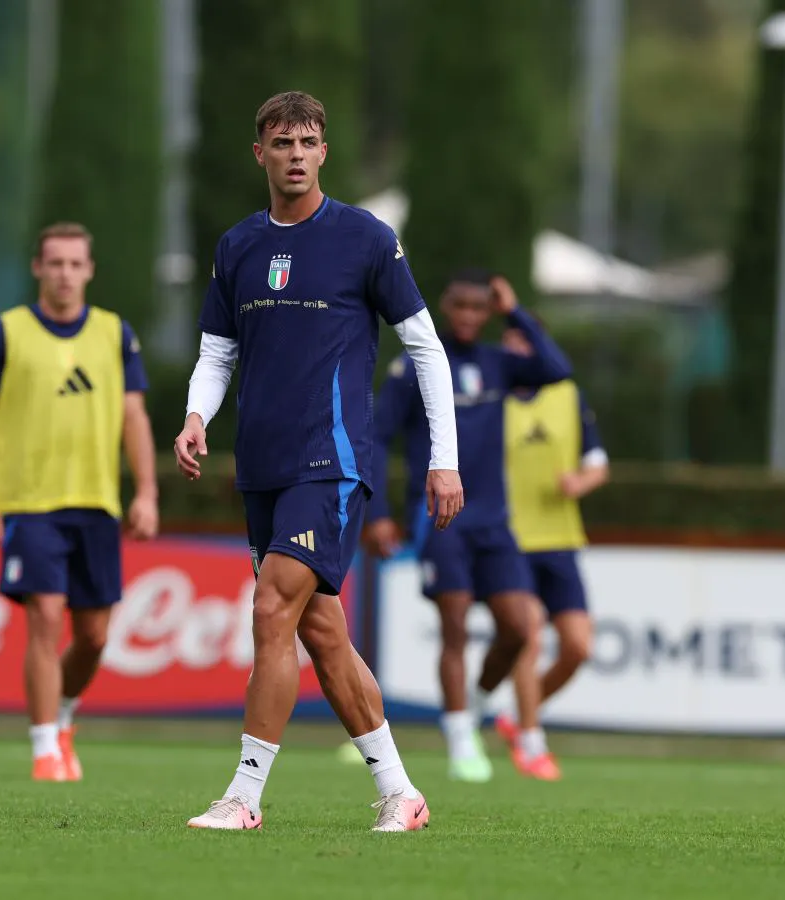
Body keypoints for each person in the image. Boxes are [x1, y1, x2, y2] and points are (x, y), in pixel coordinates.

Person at [174, 91, 462, 833]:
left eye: (308, 141)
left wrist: (444, 459)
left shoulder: (365, 238)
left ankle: (243, 797)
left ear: (324, 152)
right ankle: (402, 792)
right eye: (281, 142)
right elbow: (217, 351)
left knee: (272, 609)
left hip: (331, 462)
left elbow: (425, 347)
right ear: (260, 153)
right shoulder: (237, 246)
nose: (295, 153)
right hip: (263, 467)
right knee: (322, 633)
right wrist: (196, 416)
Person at [0, 222, 159, 782]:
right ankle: (45, 747)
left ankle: (65, 714)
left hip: (97, 503)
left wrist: (145, 492)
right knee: (46, 617)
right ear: (37, 268)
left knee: (95, 636)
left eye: (75, 264)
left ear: (89, 270)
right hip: (29, 503)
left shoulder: (115, 334)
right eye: (55, 263)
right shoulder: (5, 333)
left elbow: (134, 418)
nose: (65, 274)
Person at [362, 271, 573, 782]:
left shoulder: (498, 363)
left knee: (520, 631)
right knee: (454, 627)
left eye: (480, 308)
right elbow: (374, 437)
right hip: (439, 516)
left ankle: (472, 707)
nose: (469, 316)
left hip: (494, 520)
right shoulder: (416, 366)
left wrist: (516, 311)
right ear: (444, 306)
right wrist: (379, 513)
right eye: (461, 306)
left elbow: (555, 368)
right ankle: (461, 742)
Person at [492, 322, 609, 780]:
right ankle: (532, 742)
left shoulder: (566, 394)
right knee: (529, 636)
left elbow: (598, 463)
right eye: (509, 344)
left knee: (578, 647)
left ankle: (519, 715)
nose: (515, 351)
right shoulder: (492, 399)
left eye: (522, 343)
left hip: (560, 539)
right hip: (512, 538)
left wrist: (579, 482)